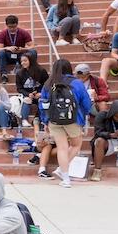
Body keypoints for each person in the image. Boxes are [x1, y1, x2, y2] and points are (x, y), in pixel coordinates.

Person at [41, 57, 93, 188]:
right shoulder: (76, 83)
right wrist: (84, 115)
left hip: (54, 120)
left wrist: (45, 121)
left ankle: (65, 179)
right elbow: (86, 102)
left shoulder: (48, 83)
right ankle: (62, 169)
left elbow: (43, 104)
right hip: (73, 119)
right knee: (75, 145)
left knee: (62, 148)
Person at [15, 52, 50, 130]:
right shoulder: (19, 73)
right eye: (21, 61)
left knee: (43, 101)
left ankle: (40, 120)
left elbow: (47, 85)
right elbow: (19, 88)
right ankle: (24, 120)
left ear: (31, 60)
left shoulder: (41, 70)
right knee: (26, 100)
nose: (23, 63)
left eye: (25, 60)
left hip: (39, 94)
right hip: (27, 95)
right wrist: (28, 94)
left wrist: (41, 93)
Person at [0, 15, 36, 80]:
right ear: (6, 25)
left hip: (21, 55)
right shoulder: (2, 34)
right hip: (9, 55)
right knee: (1, 52)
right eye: (10, 27)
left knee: (33, 52)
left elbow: (32, 46)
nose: (12, 29)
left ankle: (31, 71)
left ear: (17, 24)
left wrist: (23, 49)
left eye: (14, 27)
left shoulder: (23, 32)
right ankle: (4, 74)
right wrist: (8, 48)